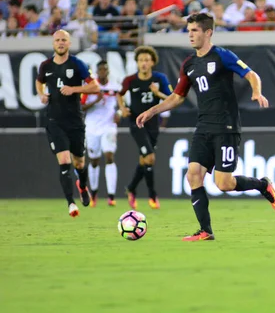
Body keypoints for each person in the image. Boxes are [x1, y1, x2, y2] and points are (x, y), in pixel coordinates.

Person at [135, 13, 275, 241]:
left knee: (223, 183)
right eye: (189, 30)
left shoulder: (222, 56)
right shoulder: (189, 64)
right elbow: (177, 96)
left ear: (208, 32)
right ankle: (205, 230)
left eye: (195, 30)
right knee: (193, 175)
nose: (190, 34)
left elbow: (251, 74)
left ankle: (262, 185)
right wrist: (152, 110)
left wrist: (256, 91)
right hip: (203, 127)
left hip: (226, 126)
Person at [35, 30, 100, 217]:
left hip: (75, 121)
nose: (60, 43)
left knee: (79, 163)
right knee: (64, 161)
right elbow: (39, 82)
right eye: (57, 40)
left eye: (64, 40)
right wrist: (41, 94)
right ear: (53, 43)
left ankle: (83, 185)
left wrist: (74, 89)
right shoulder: (45, 65)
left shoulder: (77, 64)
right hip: (54, 121)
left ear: (69, 44)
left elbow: (95, 86)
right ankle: (71, 203)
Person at [117, 46, 172, 210]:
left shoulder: (160, 79)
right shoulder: (130, 80)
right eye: (141, 60)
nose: (143, 63)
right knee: (150, 158)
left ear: (153, 62)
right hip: (136, 123)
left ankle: (131, 188)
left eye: (147, 60)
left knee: (144, 160)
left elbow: (171, 98)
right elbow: (120, 94)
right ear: (137, 62)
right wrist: (123, 108)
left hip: (153, 124)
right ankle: (152, 195)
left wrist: (158, 93)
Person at [81, 60, 121, 207]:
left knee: (109, 156)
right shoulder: (89, 87)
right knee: (94, 160)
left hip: (109, 126)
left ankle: (111, 196)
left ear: (108, 71)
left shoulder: (115, 85)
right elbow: (81, 107)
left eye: (106, 69)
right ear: (97, 72)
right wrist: (95, 100)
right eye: (101, 70)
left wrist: (119, 113)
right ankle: (95, 193)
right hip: (91, 127)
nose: (103, 72)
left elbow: (122, 103)